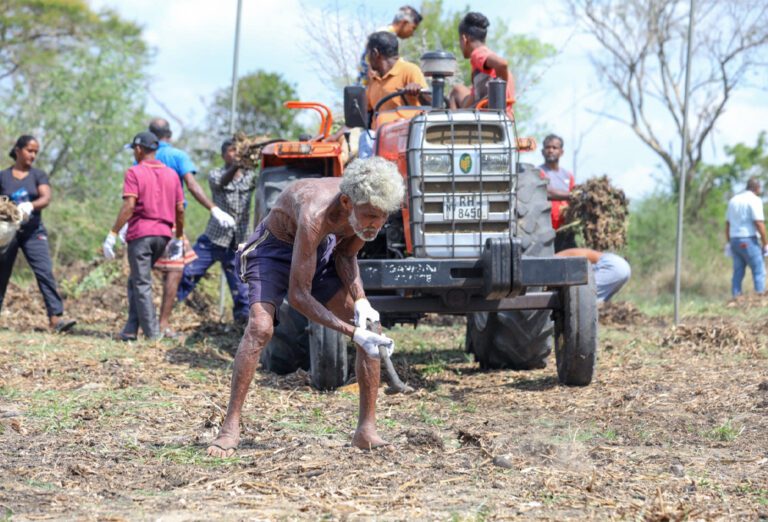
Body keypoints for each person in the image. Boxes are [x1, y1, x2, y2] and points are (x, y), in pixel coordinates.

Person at [207, 157, 404, 457]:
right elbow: (299, 296)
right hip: (273, 252)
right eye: (370, 217)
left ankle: (366, 430)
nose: (376, 225)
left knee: (371, 328)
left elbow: (345, 256)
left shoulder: (366, 210)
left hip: (317, 251)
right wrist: (352, 333)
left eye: (383, 217)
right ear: (347, 203)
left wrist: (361, 301)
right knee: (260, 328)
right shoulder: (316, 213)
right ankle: (229, 426)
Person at [147, 118, 235, 337]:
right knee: (175, 271)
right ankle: (162, 324)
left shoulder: (144, 155)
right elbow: (193, 186)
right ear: (170, 135)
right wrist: (213, 209)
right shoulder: (177, 156)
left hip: (143, 221)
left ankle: (138, 324)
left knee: (140, 274)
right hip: (170, 222)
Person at [103, 132, 184, 341]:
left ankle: (152, 335)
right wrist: (178, 237)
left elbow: (129, 206)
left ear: (138, 149)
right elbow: (180, 209)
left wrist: (113, 232)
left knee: (141, 284)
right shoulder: (172, 175)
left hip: (141, 234)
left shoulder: (134, 172)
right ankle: (130, 330)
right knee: (136, 280)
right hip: (163, 236)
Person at [0, 135, 76, 332]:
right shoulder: (3, 176)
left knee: (44, 272)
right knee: (1, 273)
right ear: (18, 150)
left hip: (33, 232)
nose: (33, 155)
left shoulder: (38, 175)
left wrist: (30, 206)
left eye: (36, 152)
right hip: (8, 233)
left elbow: (46, 197)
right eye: (29, 150)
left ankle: (56, 319)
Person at [176, 139, 256, 324]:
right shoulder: (216, 174)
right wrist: (236, 165)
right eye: (231, 151)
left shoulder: (251, 177)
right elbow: (221, 183)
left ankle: (241, 324)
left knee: (242, 289)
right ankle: (173, 306)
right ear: (223, 155)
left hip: (239, 243)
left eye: (238, 151)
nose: (235, 154)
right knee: (189, 272)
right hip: (214, 239)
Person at [448, 12, 515, 117]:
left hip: (494, 116)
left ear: (464, 39)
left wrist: (497, 100)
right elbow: (472, 98)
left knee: (455, 91)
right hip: (506, 117)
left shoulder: (478, 54)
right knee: (458, 91)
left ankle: (452, 124)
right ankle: (456, 120)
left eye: (459, 41)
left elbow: (502, 64)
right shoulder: (484, 67)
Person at [357, 5, 422, 86]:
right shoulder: (383, 35)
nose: (412, 34)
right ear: (404, 23)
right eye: (413, 28)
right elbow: (369, 62)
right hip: (368, 86)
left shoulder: (390, 37)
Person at [725, 177, 767, 297]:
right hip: (748, 239)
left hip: (734, 240)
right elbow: (759, 223)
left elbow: (727, 224)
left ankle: (736, 298)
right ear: (757, 187)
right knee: (758, 270)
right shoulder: (755, 200)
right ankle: (759, 298)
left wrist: (729, 242)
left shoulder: (733, 200)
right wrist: (765, 243)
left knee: (738, 272)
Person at [538, 134, 577, 252]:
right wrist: (572, 195)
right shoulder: (537, 173)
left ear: (561, 152)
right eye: (547, 147)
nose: (550, 150)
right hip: (544, 229)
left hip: (565, 229)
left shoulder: (568, 176)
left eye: (554, 148)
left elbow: (574, 200)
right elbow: (546, 192)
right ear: (542, 152)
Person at [555, 248, 631, 303]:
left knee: (581, 299)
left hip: (612, 265)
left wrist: (554, 258)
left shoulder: (556, 258)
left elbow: (584, 254)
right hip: (621, 265)